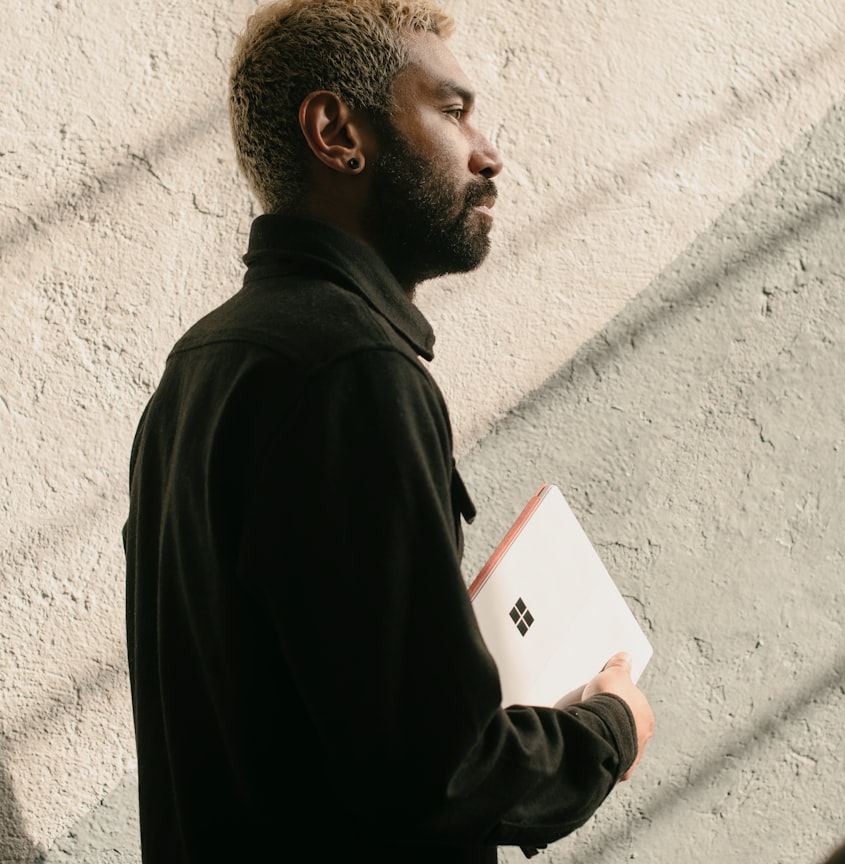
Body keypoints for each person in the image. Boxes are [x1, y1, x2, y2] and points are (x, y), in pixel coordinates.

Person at [122, 1, 655, 862]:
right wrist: (608, 729)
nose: (488, 151)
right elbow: (443, 777)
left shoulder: (202, 366)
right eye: (451, 110)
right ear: (338, 133)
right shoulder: (351, 371)